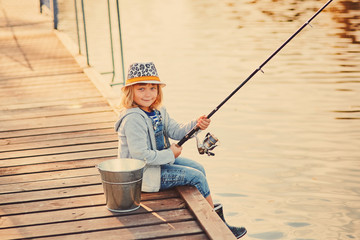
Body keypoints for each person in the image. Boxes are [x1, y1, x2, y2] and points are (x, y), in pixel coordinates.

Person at [115, 62, 246, 238]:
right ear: (130, 91)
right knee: (196, 177)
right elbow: (141, 156)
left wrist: (197, 125)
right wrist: (171, 154)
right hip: (142, 175)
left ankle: (210, 215)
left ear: (158, 91)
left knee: (199, 168)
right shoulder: (132, 119)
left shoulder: (158, 110)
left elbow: (176, 131)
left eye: (152, 88)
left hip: (159, 163)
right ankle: (218, 227)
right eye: (141, 89)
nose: (148, 94)